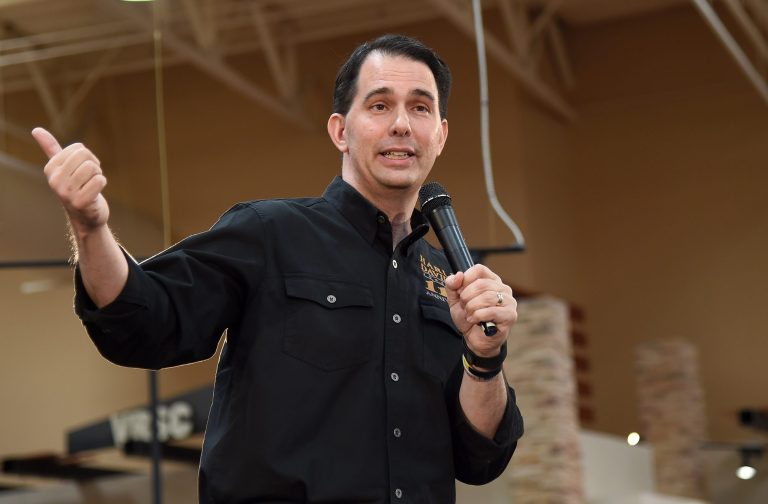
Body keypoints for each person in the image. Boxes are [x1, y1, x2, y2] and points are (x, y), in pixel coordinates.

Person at [33, 34, 523, 503]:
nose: (401, 124)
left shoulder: (452, 284)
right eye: (379, 105)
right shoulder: (269, 232)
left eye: (420, 107)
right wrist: (90, 228)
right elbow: (144, 318)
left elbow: (481, 459)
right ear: (340, 131)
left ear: (439, 135)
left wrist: (485, 358)